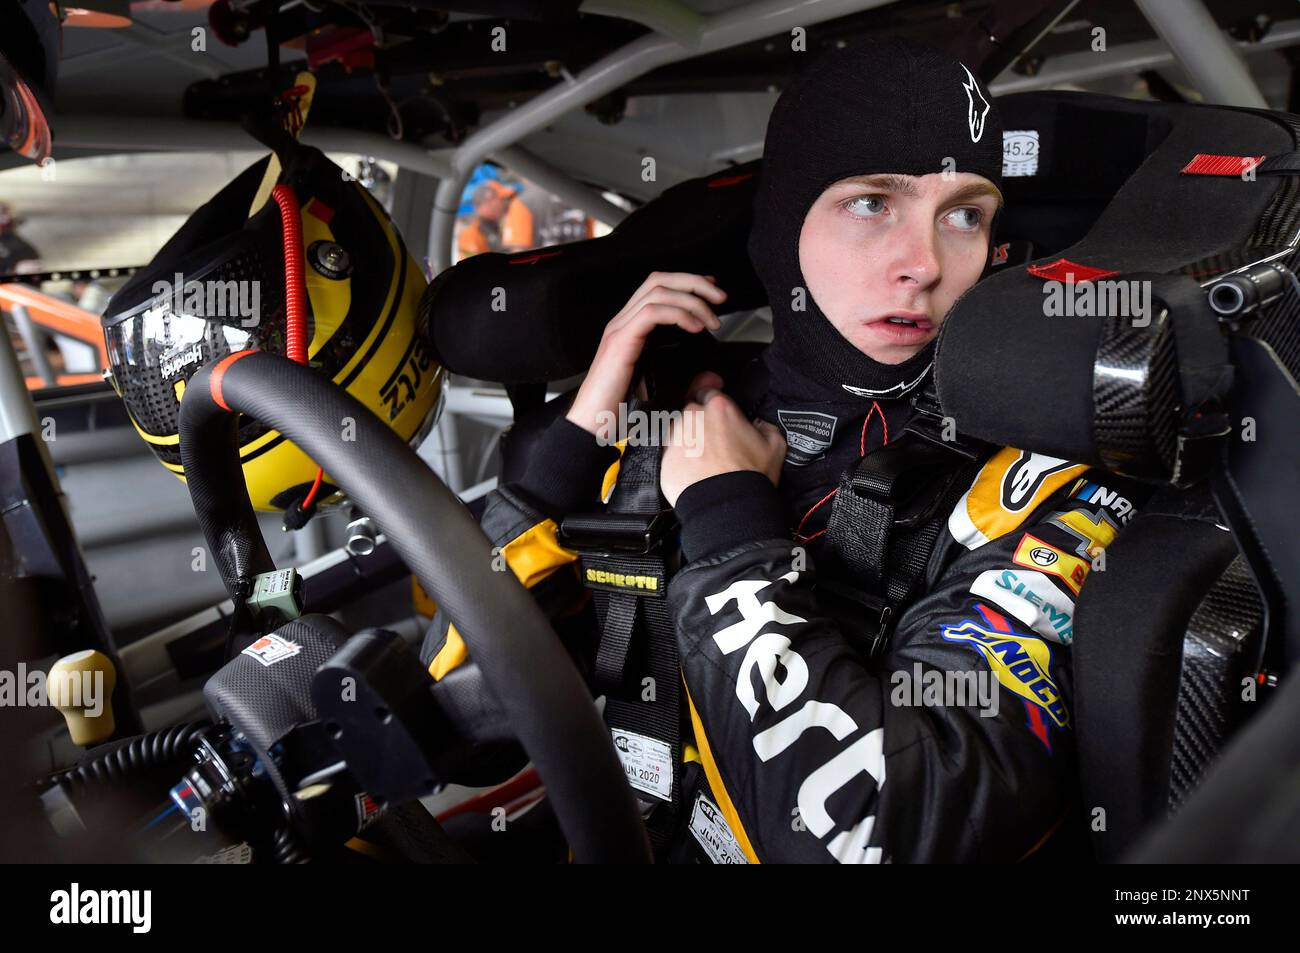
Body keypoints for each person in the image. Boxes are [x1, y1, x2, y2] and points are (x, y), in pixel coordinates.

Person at [422, 37, 1149, 863]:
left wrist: (733, 532)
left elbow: (886, 836)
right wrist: (569, 448)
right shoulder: (674, 408)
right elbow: (458, 722)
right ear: (784, 223)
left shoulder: (1037, 482)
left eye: (965, 214)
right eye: (873, 202)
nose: (922, 264)